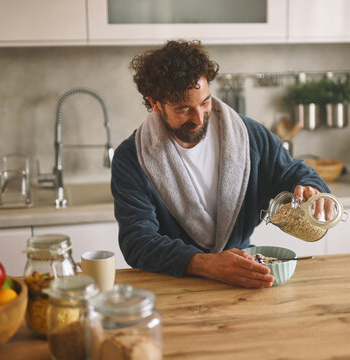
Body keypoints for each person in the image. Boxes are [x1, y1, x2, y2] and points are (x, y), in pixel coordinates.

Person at [111, 40, 329, 288]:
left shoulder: (247, 136)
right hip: (173, 285)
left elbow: (292, 172)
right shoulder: (132, 158)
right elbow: (137, 242)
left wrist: (312, 189)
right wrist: (204, 263)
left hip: (244, 274)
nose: (198, 118)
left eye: (205, 102)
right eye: (183, 109)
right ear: (155, 103)